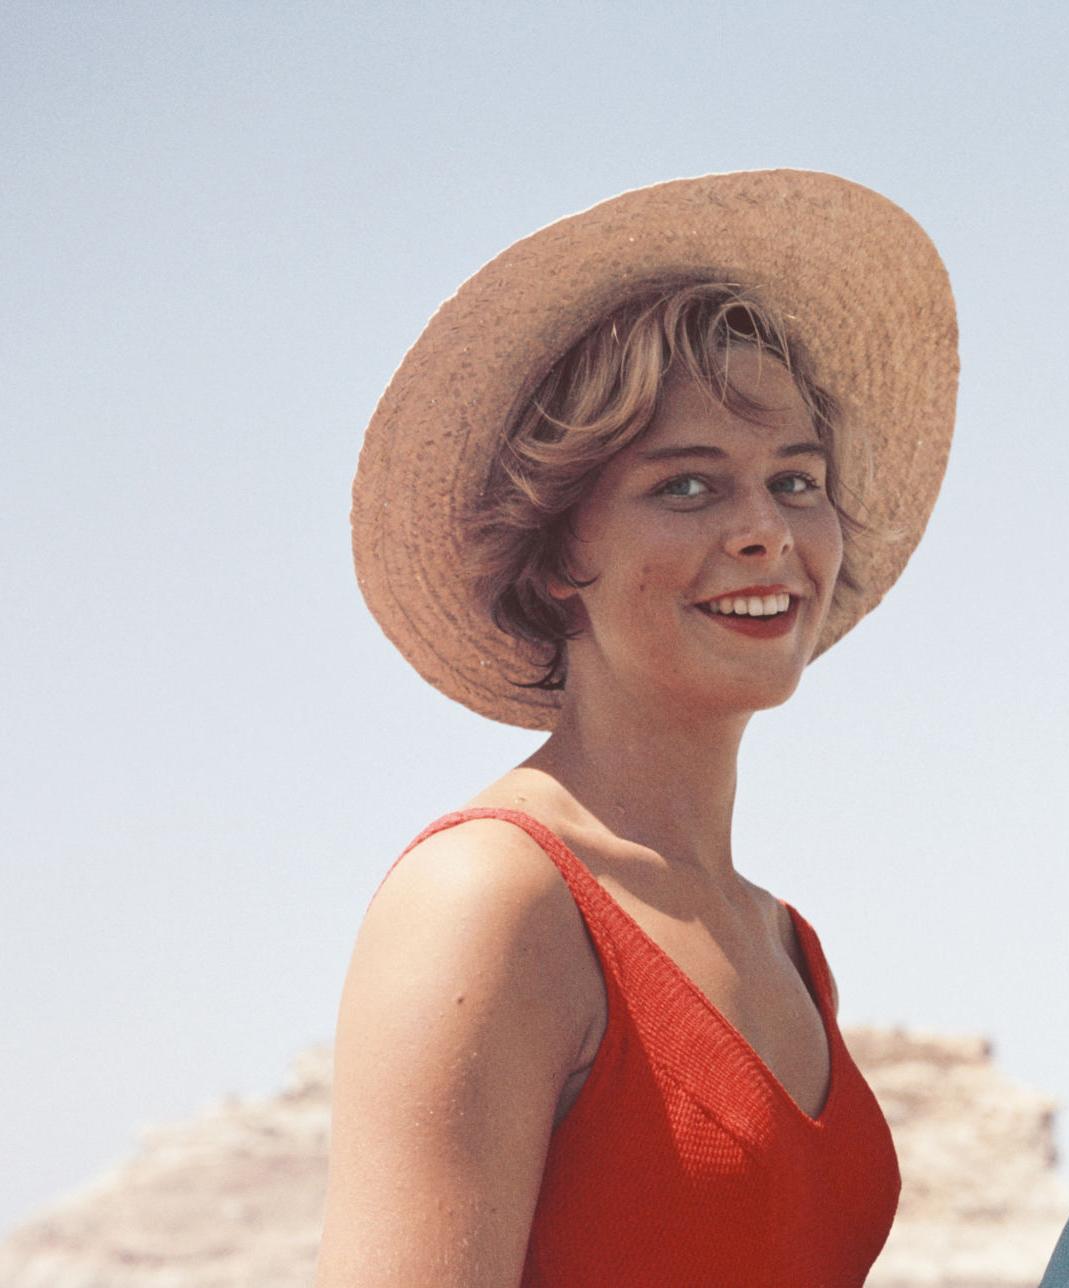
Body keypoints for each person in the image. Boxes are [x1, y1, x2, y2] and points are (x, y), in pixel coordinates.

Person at [315, 169, 959, 1288]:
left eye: (795, 480)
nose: (765, 530)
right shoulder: (491, 900)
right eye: (688, 488)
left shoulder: (785, 943)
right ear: (562, 549)